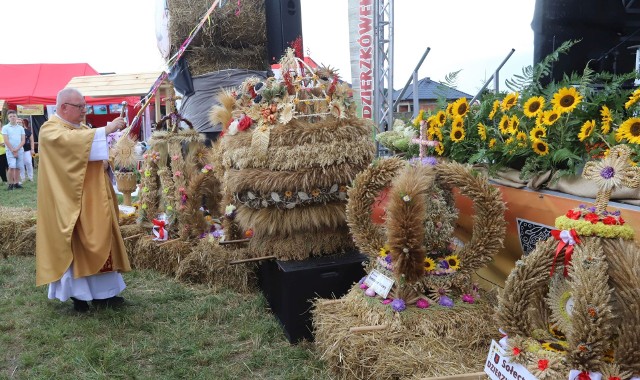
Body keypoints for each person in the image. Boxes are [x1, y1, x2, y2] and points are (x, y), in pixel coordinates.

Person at [36, 88, 131, 312]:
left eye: (84, 106)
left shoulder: (84, 129)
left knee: (101, 240)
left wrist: (107, 160)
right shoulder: (51, 130)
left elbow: (91, 152)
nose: (84, 111)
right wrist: (106, 129)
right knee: (78, 243)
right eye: (80, 107)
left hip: (94, 201)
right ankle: (79, 296)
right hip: (70, 203)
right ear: (63, 108)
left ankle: (105, 294)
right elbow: (72, 145)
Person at [1, 110, 25, 190]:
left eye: (14, 116)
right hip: (10, 151)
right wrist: (13, 150)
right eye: (10, 116)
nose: (12, 118)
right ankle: (10, 184)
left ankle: (16, 183)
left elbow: (23, 140)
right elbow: (6, 141)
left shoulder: (21, 128)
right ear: (8, 118)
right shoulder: (5, 128)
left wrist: (17, 149)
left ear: (16, 117)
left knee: (18, 167)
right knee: (11, 167)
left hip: (20, 150)